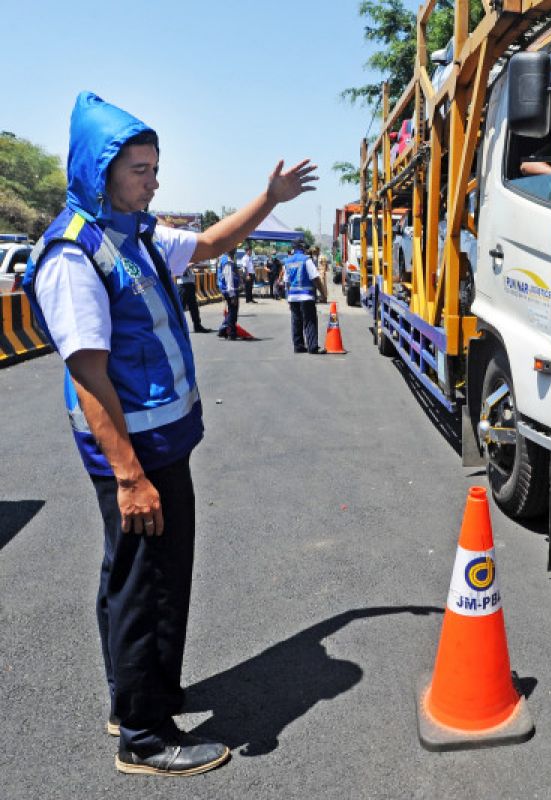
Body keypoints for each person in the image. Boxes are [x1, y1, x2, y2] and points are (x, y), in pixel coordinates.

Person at [21, 91, 316, 777]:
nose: (154, 182)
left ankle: (135, 698)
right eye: (140, 171)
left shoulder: (137, 234)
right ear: (100, 174)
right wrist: (128, 476)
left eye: (156, 168)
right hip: (137, 457)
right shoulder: (74, 255)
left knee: (137, 581)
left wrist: (268, 199)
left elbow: (213, 243)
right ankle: (146, 738)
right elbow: (90, 376)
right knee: (145, 587)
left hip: (163, 444)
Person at [284, 242, 326, 353]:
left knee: (296, 321)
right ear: (303, 248)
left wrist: (288, 298)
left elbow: (287, 282)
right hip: (306, 296)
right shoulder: (306, 260)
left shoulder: (287, 261)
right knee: (310, 321)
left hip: (293, 297)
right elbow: (315, 277)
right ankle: (312, 347)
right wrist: (323, 293)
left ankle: (298, 346)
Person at [176, 264, 211, 333]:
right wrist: (191, 265)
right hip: (183, 286)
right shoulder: (179, 262)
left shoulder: (186, 262)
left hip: (190, 285)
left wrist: (198, 268)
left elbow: (192, 268)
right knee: (180, 307)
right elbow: (179, 270)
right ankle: (177, 327)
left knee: (194, 307)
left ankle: (197, 326)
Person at [216, 247, 241, 339]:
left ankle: (223, 330)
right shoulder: (227, 261)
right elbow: (229, 278)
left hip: (227, 289)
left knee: (231, 310)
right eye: (234, 248)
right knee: (232, 312)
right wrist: (232, 295)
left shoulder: (224, 259)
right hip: (230, 290)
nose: (235, 250)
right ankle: (231, 332)